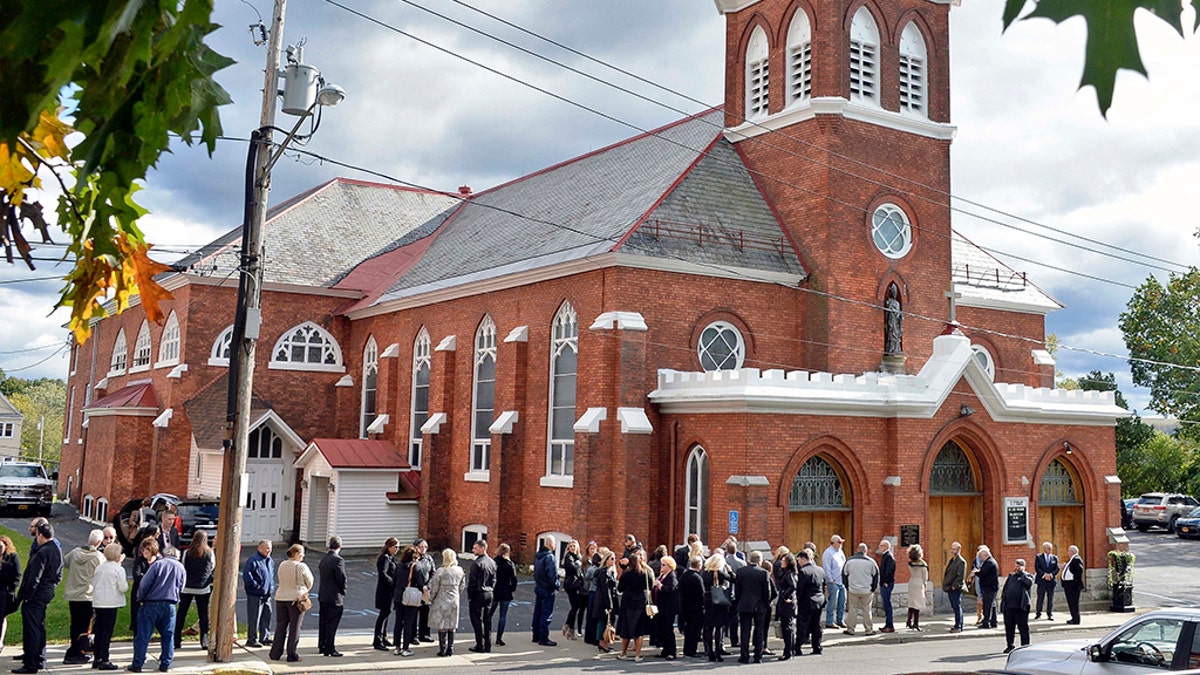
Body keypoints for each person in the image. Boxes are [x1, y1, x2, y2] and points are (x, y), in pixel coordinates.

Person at [130, 538, 186, 673]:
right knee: (168, 635)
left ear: (165, 554)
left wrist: (141, 598)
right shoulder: (181, 568)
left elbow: (144, 584)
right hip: (170, 604)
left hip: (151, 603)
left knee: (143, 635)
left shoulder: (158, 565)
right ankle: (166, 663)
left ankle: (137, 664)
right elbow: (182, 587)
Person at [14, 523, 61, 674]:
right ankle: (40, 658)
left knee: (32, 629)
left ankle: (31, 663)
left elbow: (34, 577)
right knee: (39, 626)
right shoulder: (57, 549)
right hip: (47, 592)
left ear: (40, 535)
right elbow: (59, 575)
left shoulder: (42, 552)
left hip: (36, 595)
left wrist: (26, 596)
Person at [61, 528, 106, 665]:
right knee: (85, 627)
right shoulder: (98, 557)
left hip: (73, 595)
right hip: (87, 596)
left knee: (75, 624)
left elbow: (65, 563)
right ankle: (80, 651)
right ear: (99, 542)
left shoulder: (75, 552)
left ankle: (73, 648)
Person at [269, 544, 312, 663]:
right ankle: (291, 654)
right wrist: (303, 589)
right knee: (295, 627)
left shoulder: (282, 564)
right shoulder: (301, 566)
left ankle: (275, 653)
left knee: (281, 625)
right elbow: (309, 581)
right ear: (297, 554)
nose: (303, 556)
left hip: (281, 597)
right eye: (302, 553)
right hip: (296, 598)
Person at [174, 531, 214, 651]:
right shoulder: (210, 553)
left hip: (187, 587)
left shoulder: (187, 552)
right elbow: (212, 566)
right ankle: (204, 641)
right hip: (203, 588)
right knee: (203, 616)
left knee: (181, 614)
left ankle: (176, 640)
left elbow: (183, 566)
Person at [91, 543, 127, 671]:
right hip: (111, 603)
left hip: (99, 602)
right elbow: (123, 587)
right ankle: (105, 659)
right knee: (107, 632)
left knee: (99, 630)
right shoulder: (118, 569)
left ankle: (97, 657)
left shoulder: (99, 568)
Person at [734, 550, 771, 664]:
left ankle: (744, 656)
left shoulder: (741, 572)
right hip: (759, 605)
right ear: (760, 561)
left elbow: (737, 590)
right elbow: (767, 592)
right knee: (759, 631)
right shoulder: (764, 573)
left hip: (745, 604)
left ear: (750, 560)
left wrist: (740, 601)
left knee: (745, 631)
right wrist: (765, 603)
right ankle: (757, 656)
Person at [616, 550, 652, 662]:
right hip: (640, 603)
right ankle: (637, 655)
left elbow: (620, 588)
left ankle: (623, 653)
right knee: (638, 631)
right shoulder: (645, 573)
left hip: (627, 602)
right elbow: (649, 586)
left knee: (625, 630)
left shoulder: (626, 574)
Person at [428, 548, 465, 657]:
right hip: (454, 598)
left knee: (442, 624)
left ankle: (442, 649)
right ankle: (451, 648)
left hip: (442, 598)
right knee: (452, 624)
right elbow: (462, 586)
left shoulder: (441, 571)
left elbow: (435, 587)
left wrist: (431, 597)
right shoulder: (460, 570)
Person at [317, 536, 347, 658]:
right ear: (340, 546)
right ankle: (330, 647)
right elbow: (341, 578)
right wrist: (343, 590)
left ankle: (322, 645)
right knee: (332, 623)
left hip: (323, 594)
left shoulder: (324, 559)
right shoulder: (338, 560)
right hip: (334, 596)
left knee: (323, 622)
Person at [243, 540, 275, 648]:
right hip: (255, 594)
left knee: (267, 616)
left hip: (267, 594)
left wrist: (271, 587)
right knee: (254, 617)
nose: (269, 550)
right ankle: (252, 639)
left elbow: (271, 576)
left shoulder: (270, 560)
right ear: (259, 548)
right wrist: (256, 586)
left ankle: (264, 637)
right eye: (266, 548)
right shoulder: (253, 560)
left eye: (270, 547)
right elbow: (247, 576)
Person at [842, 542, 879, 636]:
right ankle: (868, 629)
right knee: (867, 610)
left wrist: (847, 586)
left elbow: (844, 575)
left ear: (857, 550)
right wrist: (873, 588)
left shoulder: (849, 561)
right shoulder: (871, 562)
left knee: (852, 609)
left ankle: (850, 629)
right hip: (867, 590)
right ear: (865, 551)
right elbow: (876, 576)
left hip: (853, 589)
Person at [795, 548, 826, 656]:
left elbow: (800, 589)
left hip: (806, 601)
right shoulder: (820, 570)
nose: (798, 563)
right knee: (816, 625)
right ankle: (817, 647)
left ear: (803, 559)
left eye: (799, 560)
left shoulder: (803, 572)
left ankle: (797, 647)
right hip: (819, 600)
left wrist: (796, 601)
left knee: (802, 625)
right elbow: (823, 586)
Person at [467, 539, 496, 653]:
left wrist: (470, 596)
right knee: (487, 620)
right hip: (489, 593)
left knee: (476, 620)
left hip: (478, 594)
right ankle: (487, 644)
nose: (473, 550)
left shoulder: (477, 563)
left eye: (475, 548)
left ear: (482, 548)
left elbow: (472, 582)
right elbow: (494, 579)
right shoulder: (492, 562)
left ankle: (480, 644)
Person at [701, 553, 731, 662]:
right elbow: (733, 578)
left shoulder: (705, 573)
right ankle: (718, 651)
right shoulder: (720, 573)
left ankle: (709, 651)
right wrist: (729, 569)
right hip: (718, 602)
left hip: (708, 601)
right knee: (719, 628)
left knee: (708, 627)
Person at [392, 546, 422, 657]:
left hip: (398, 596)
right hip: (410, 597)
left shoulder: (399, 566)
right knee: (408, 623)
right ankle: (406, 648)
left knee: (398, 622)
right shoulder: (416, 567)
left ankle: (397, 647)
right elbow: (420, 582)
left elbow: (394, 581)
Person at [1001, 558, 1034, 653]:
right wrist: (1004, 603)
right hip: (1009, 607)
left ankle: (1025, 645)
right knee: (1009, 627)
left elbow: (1029, 584)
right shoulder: (1011, 576)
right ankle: (1010, 645)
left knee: (1023, 627)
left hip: (1021, 607)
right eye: (1015, 566)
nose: (1016, 568)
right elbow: (1005, 589)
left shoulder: (1028, 576)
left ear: (1023, 567)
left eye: (1018, 566)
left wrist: (1022, 573)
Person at [532, 535, 560, 646]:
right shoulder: (549, 557)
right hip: (547, 589)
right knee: (546, 613)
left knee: (537, 612)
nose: (555, 545)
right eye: (554, 543)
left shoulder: (538, 556)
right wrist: (556, 585)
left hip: (539, 587)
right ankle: (543, 637)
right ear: (550, 544)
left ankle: (536, 635)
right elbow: (552, 575)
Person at [130, 526, 158, 633]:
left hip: (152, 594)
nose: (144, 552)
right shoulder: (139, 561)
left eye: (147, 549)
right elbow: (137, 576)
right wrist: (150, 577)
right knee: (137, 618)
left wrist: (145, 576)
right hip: (138, 593)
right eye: (143, 549)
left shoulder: (158, 562)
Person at [373, 538, 398, 651]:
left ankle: (383, 637)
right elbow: (383, 573)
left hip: (389, 591)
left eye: (398, 547)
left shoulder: (391, 558)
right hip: (385, 591)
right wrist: (393, 582)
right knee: (383, 614)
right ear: (389, 547)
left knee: (387, 614)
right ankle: (377, 640)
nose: (397, 549)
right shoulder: (385, 558)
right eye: (395, 547)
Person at [590, 549, 618, 654]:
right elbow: (605, 590)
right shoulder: (603, 573)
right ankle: (602, 642)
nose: (614, 561)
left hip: (606, 600)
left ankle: (604, 642)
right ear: (606, 559)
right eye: (612, 559)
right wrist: (609, 605)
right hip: (603, 602)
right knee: (603, 622)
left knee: (607, 621)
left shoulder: (609, 572)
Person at [490, 543, 517, 647]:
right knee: (503, 616)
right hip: (506, 592)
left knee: (489, 614)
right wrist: (511, 589)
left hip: (495, 591)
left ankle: (485, 635)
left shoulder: (494, 562)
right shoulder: (509, 564)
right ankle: (499, 639)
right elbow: (514, 580)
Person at [678, 555, 705, 658]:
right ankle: (692, 650)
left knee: (688, 629)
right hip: (696, 607)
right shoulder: (698, 578)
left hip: (685, 606)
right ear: (699, 565)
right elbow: (701, 594)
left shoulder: (683, 576)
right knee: (695, 630)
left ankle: (686, 649)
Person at [654, 556, 679, 660]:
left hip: (668, 608)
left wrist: (659, 585)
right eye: (661, 564)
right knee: (662, 629)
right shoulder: (662, 575)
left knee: (668, 629)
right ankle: (665, 649)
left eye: (664, 565)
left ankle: (671, 651)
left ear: (670, 566)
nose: (662, 567)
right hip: (660, 607)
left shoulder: (672, 576)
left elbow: (669, 589)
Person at [775, 552, 798, 661]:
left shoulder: (789, 573)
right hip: (786, 603)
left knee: (787, 628)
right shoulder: (787, 572)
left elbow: (793, 586)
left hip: (787, 604)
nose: (782, 563)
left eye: (784, 561)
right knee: (787, 627)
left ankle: (788, 651)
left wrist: (785, 596)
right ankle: (789, 649)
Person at [561, 540, 586, 641]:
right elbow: (574, 569)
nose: (572, 548)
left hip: (576, 585)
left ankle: (567, 626)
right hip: (571, 585)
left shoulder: (577, 557)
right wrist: (578, 564)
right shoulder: (569, 557)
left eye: (574, 546)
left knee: (575, 607)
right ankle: (569, 629)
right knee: (575, 607)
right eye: (570, 546)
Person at [412, 539, 435, 643]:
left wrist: (428, 585)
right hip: (415, 589)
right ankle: (413, 636)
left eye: (425, 547)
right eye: (421, 547)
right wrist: (421, 586)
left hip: (426, 590)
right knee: (413, 613)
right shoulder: (413, 558)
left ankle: (424, 634)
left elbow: (433, 573)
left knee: (425, 612)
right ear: (416, 547)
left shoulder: (428, 558)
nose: (424, 549)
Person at [822, 534, 847, 628]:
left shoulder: (840, 552)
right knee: (833, 602)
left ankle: (840, 620)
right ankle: (829, 621)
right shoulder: (828, 553)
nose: (841, 544)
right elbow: (826, 567)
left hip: (841, 581)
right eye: (839, 542)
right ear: (833, 543)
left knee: (842, 601)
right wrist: (830, 579)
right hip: (833, 581)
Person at [0, 536, 20, 650]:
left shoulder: (12, 557)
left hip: (5, 592)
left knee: (2, 616)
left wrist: (12, 588)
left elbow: (18, 574)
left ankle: (0, 641)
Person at [943, 541, 967, 633]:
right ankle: (957, 625)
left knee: (957, 607)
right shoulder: (952, 560)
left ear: (958, 550)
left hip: (956, 588)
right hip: (949, 587)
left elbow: (960, 576)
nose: (952, 551)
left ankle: (959, 626)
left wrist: (954, 586)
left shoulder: (961, 562)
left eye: (954, 549)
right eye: (951, 549)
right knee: (954, 606)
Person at [1034, 541, 1060, 621]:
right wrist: (1044, 575)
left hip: (1051, 581)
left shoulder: (1054, 558)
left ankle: (1049, 613)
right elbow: (1037, 568)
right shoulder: (1039, 557)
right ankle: (1038, 613)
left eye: (1051, 548)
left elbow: (1057, 568)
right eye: (1049, 548)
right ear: (1045, 549)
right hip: (1042, 580)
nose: (1050, 550)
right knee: (1040, 597)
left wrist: (1051, 575)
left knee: (1050, 598)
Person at [906, 543, 929, 631]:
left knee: (912, 602)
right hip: (919, 583)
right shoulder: (923, 563)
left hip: (912, 582)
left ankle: (908, 621)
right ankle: (916, 623)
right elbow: (925, 577)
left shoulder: (910, 563)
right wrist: (925, 585)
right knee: (917, 604)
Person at [1060, 545, 1085, 624]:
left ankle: (1076, 619)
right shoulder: (1072, 559)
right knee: (1071, 602)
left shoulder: (1076, 559)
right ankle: (1073, 617)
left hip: (1073, 585)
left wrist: (1075, 580)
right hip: (1068, 584)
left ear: (1072, 552)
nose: (1067, 552)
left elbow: (1078, 571)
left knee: (1073, 602)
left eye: (1068, 551)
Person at [582, 541, 601, 646]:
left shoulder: (590, 569)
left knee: (590, 616)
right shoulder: (600, 570)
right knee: (595, 616)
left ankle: (588, 637)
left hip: (591, 592)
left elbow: (586, 578)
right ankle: (595, 638)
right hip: (597, 593)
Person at [977, 545, 1000, 629]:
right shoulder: (991, 561)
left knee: (988, 605)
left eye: (981, 556)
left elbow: (982, 573)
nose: (980, 558)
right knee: (992, 605)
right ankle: (994, 622)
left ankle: (986, 622)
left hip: (989, 587)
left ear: (985, 555)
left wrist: (976, 572)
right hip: (992, 586)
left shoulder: (989, 562)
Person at [877, 539, 896, 633]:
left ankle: (890, 625)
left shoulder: (889, 556)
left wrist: (886, 582)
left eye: (881, 545)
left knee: (887, 604)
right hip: (885, 583)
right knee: (886, 604)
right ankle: (887, 624)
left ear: (886, 546)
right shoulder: (885, 556)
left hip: (887, 584)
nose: (879, 547)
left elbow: (889, 570)